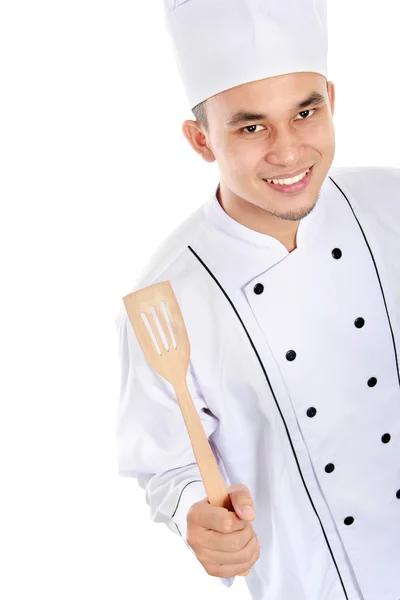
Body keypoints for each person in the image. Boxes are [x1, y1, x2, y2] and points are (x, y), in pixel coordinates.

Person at [114, 1, 400, 599]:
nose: (289, 151)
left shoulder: (393, 205)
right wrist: (197, 511)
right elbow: (168, 465)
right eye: (251, 126)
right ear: (201, 140)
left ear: (331, 101)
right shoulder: (168, 295)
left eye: (305, 112)